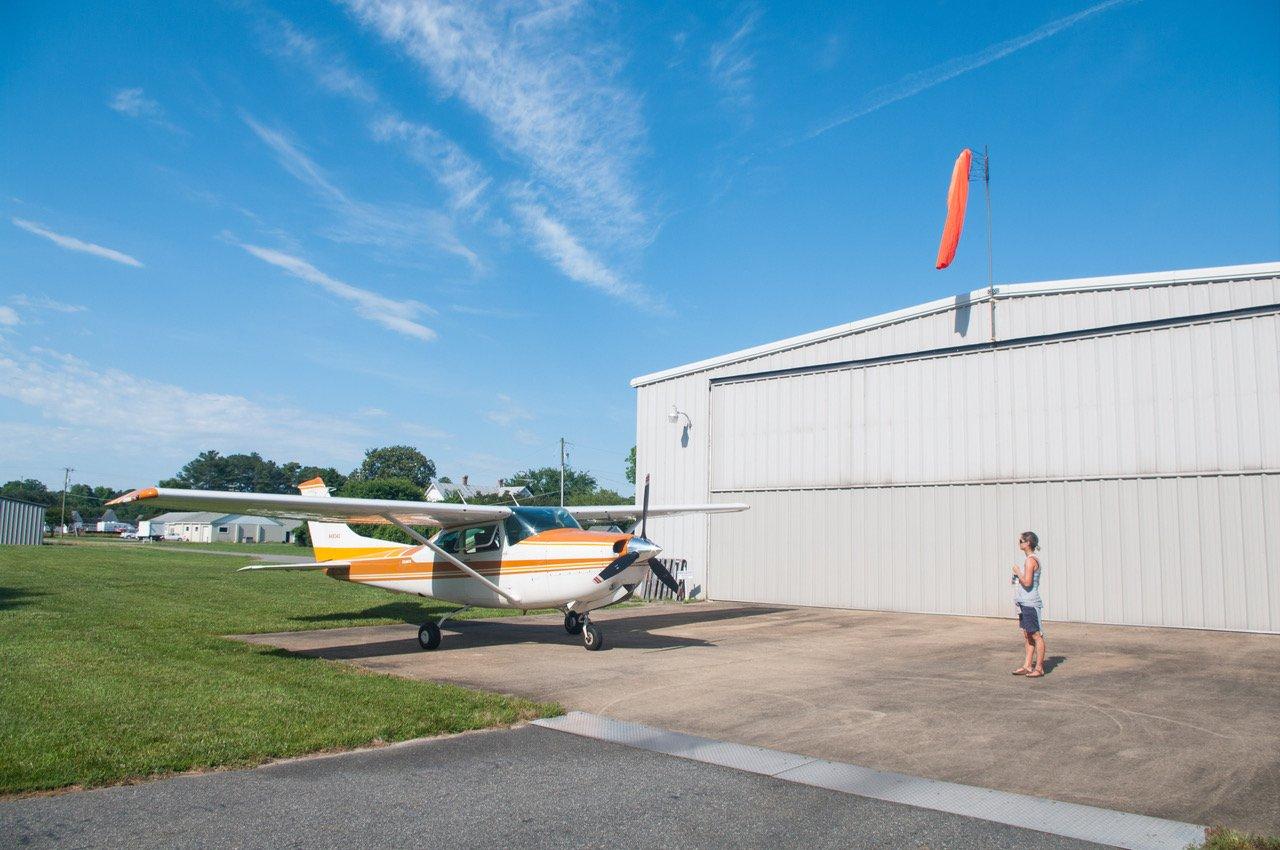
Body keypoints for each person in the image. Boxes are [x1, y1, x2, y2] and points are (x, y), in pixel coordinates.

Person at [1011, 531, 1046, 678]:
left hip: (1031, 603)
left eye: (1021, 541)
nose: (1019, 543)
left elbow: (1027, 582)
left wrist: (1018, 572)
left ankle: (1039, 668)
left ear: (1028, 543)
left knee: (1036, 635)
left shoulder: (1031, 561)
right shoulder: (1029, 560)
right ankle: (1027, 665)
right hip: (1024, 602)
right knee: (1027, 635)